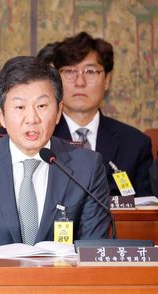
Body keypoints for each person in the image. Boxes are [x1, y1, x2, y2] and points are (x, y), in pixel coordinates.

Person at [0, 56, 110, 246]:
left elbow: (94, 250)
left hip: (61, 275)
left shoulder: (87, 168)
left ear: (58, 112)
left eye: (41, 106)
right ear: (1, 115)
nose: (32, 118)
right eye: (20, 107)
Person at [53, 32, 152, 196]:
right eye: (70, 71)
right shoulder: (39, 138)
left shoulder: (135, 144)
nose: (80, 82)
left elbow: (146, 213)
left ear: (107, 80)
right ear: (56, 79)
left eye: (90, 71)